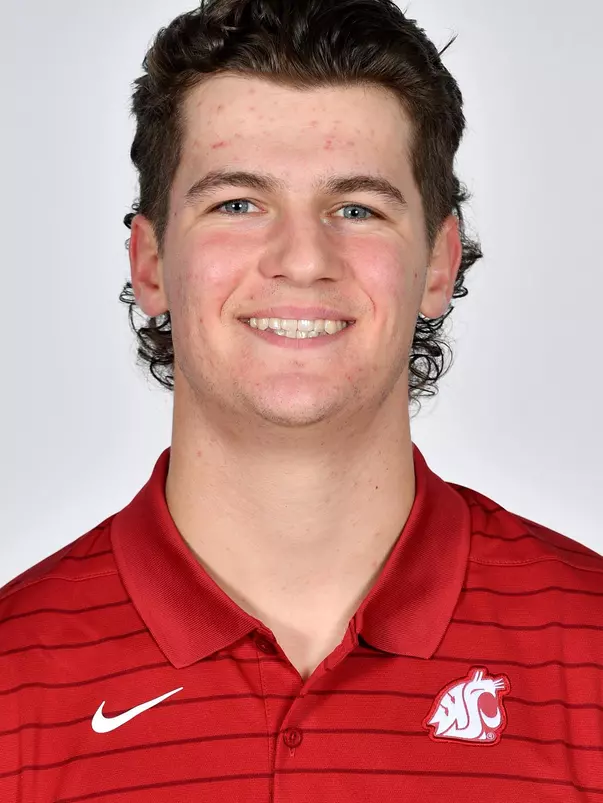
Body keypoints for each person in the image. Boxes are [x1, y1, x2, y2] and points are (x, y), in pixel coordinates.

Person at [1, 0, 602, 800]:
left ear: (437, 263)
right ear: (150, 262)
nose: (302, 258)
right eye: (237, 204)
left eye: (356, 208)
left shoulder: (591, 650)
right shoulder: (14, 674)